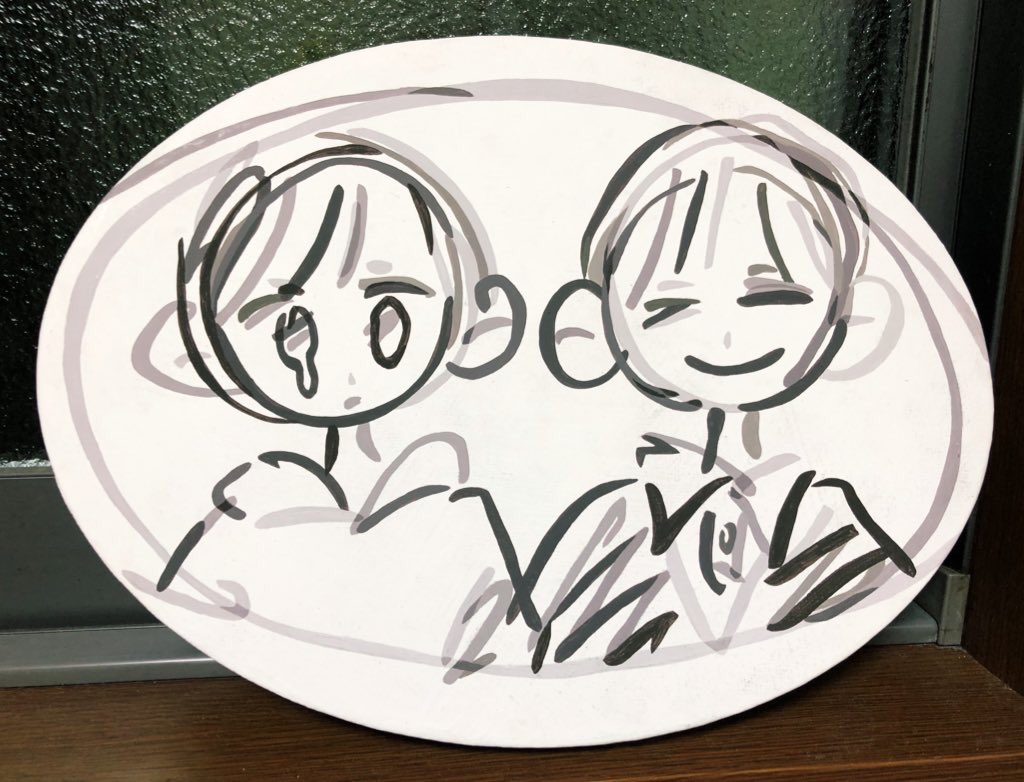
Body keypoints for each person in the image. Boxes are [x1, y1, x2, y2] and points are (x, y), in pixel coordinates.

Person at [517, 120, 916, 669]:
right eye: (669, 307)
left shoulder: (832, 525)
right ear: (594, 325)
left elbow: (815, 631)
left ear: (854, 316)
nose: (724, 335)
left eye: (775, 296)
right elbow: (551, 649)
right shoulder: (607, 521)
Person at [153, 139, 526, 678]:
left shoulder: (454, 498)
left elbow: (492, 636)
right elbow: (219, 611)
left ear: (466, 311)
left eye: (388, 309)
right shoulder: (254, 498)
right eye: (290, 322)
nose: (341, 356)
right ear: (211, 334)